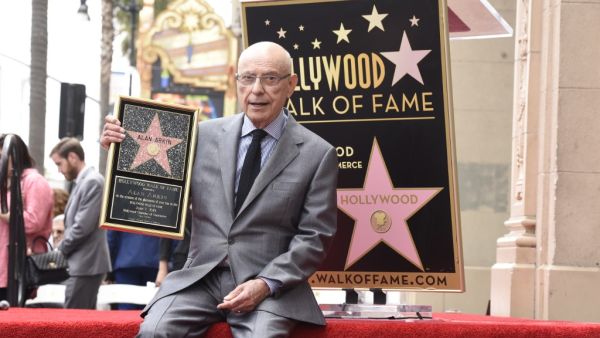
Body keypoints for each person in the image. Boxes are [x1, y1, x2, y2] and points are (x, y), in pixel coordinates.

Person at [101, 41, 338, 337]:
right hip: (198, 279)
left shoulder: (317, 154)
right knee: (153, 332)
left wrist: (265, 283)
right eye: (247, 78)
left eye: (270, 79)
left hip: (269, 288)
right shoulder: (198, 136)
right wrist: (121, 148)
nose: (257, 90)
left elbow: (315, 237)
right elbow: (156, 191)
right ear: (235, 80)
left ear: (291, 85)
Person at [49, 137, 111, 309]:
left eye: (59, 164)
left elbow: (81, 227)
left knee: (73, 324)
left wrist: (58, 252)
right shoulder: (86, 182)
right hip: (84, 264)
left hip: (86, 265)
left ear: (73, 158)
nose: (59, 170)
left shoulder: (92, 182)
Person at [0, 133, 54, 302]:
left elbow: (32, 222)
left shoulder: (34, 182)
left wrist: (4, 214)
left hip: (17, 267)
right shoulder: (8, 182)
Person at [107, 231, 160, 310]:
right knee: (148, 310)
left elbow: (111, 238)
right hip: (154, 261)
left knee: (126, 309)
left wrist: (109, 268)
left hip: (125, 261)